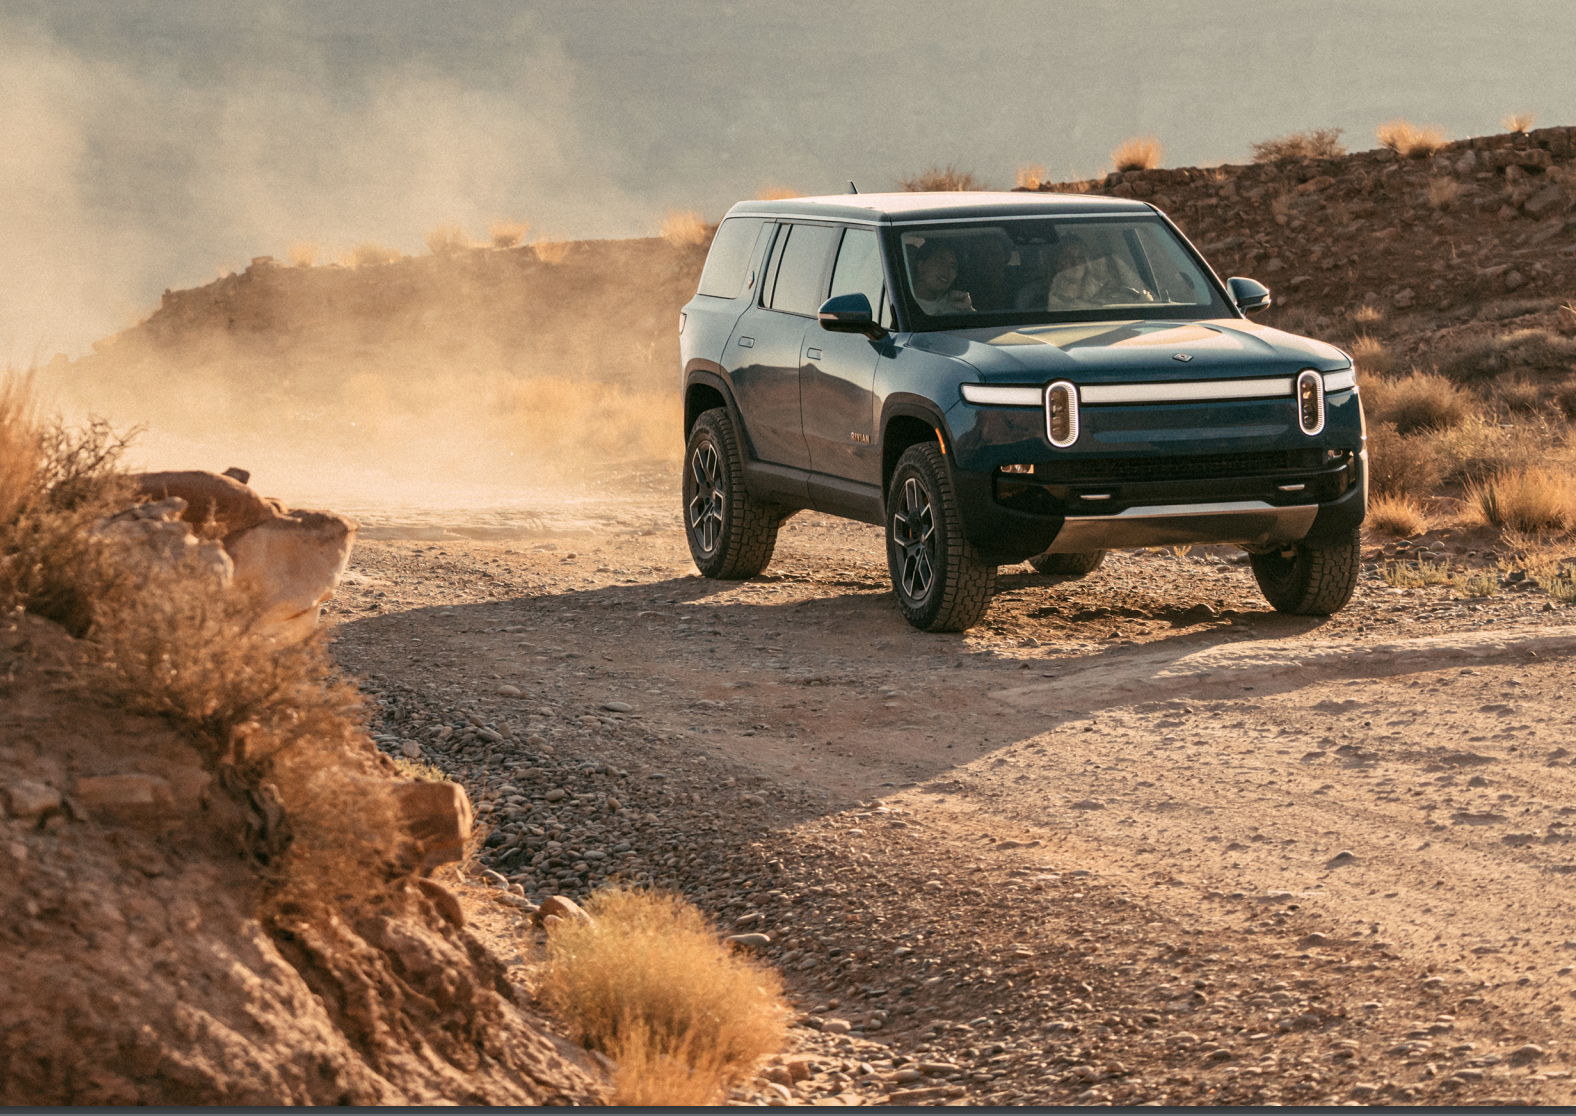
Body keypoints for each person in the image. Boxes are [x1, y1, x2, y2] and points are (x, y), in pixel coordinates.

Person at [1045, 235, 1154, 308]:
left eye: (1080, 258)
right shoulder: (1042, 300)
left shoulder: (1107, 292)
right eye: (1067, 257)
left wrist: (1144, 303)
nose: (1075, 263)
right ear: (1057, 262)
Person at [908, 239, 974, 315]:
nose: (947, 270)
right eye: (941, 262)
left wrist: (968, 309)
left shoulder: (955, 305)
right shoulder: (900, 303)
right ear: (921, 265)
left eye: (952, 266)